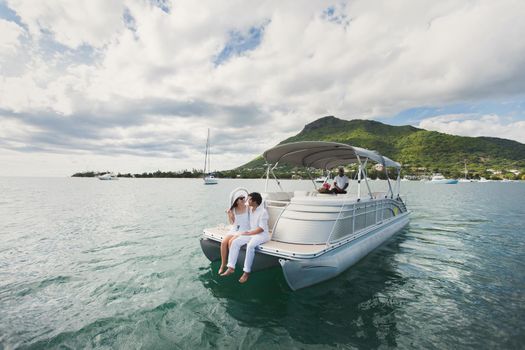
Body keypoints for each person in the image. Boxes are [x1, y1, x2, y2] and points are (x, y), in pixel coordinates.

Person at [221, 192, 270, 283]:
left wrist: (247, 233)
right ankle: (231, 267)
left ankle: (246, 272)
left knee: (250, 245)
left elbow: (261, 229)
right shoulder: (251, 209)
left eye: (249, 199)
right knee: (235, 242)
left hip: (262, 235)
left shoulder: (263, 212)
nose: (247, 200)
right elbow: (239, 207)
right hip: (251, 233)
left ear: (254, 201)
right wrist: (230, 212)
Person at [218, 191, 250, 275]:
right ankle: (223, 264)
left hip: (245, 229)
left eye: (244, 198)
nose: (243, 199)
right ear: (236, 201)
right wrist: (230, 215)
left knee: (231, 241)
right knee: (223, 242)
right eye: (241, 198)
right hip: (235, 228)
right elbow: (232, 223)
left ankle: (230, 265)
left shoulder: (248, 208)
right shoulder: (233, 209)